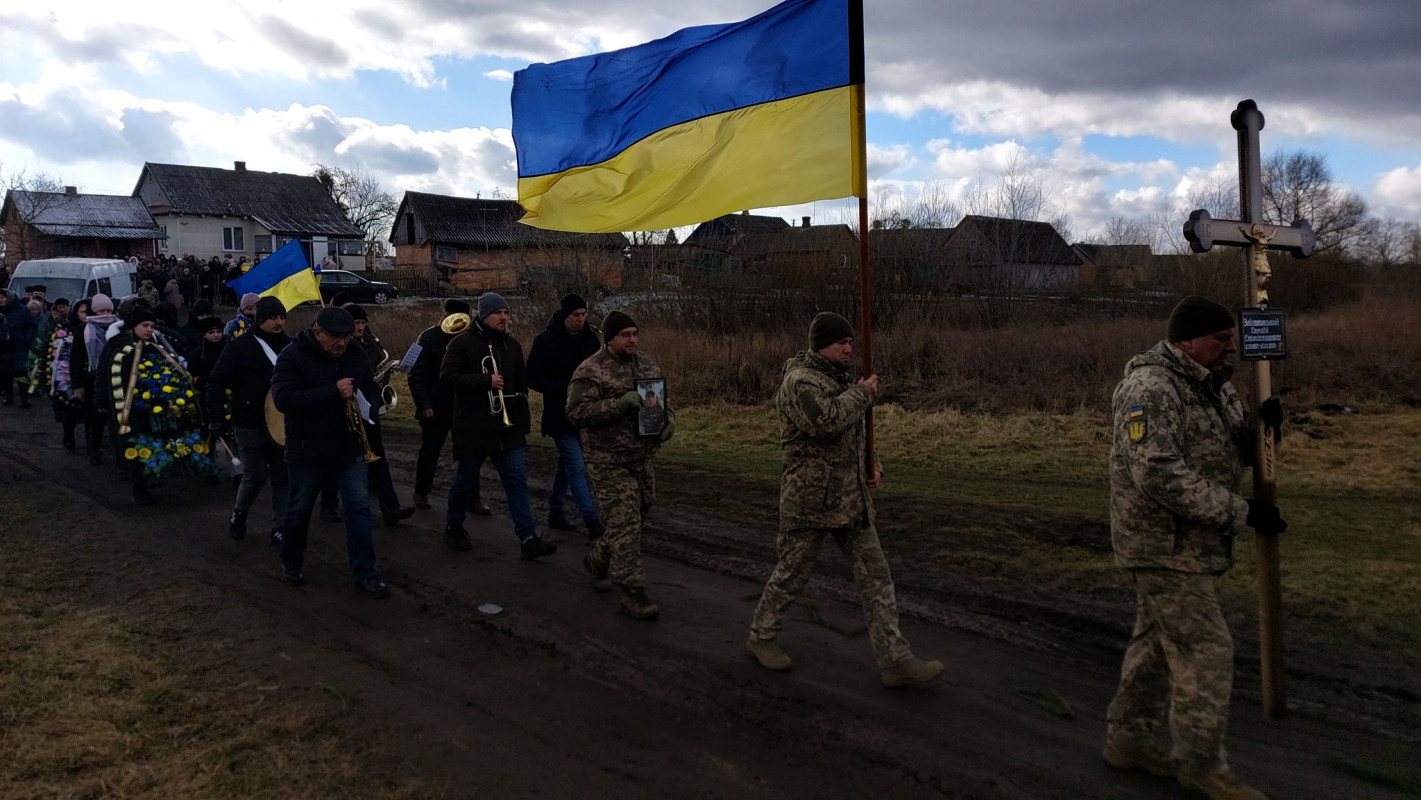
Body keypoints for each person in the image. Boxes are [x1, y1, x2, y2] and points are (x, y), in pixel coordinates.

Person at [1103, 296, 1286, 800]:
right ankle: (1201, 763)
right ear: (1187, 341)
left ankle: (1128, 740)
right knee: (1206, 646)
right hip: (1162, 545)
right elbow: (1158, 473)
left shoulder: (1214, 389)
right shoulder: (1150, 388)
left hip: (1189, 544)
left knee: (1156, 646)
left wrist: (1265, 432)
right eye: (1221, 340)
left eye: (1233, 338)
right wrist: (1241, 511)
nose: (1232, 348)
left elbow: (1228, 451)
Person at [746, 312, 943, 687]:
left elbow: (856, 433)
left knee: (877, 578)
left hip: (850, 501)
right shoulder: (799, 382)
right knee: (791, 574)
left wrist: (874, 464)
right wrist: (863, 394)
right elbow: (826, 422)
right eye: (842, 343)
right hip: (810, 501)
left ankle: (895, 659)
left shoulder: (843, 380)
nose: (850, 349)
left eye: (852, 342)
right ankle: (761, 636)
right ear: (822, 344)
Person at [271, 306, 390, 599]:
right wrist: (331, 392)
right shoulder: (292, 355)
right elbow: (283, 399)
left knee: (359, 510)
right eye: (336, 337)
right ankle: (292, 562)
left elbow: (368, 386)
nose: (342, 344)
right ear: (317, 333)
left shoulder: (354, 353)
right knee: (299, 511)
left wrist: (374, 405)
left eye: (347, 337)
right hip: (307, 450)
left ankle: (365, 573)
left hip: (348, 448)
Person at [566, 310, 674, 619]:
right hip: (607, 460)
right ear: (609, 338)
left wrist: (670, 419)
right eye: (625, 334)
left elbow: (661, 401)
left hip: (642, 457)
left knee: (634, 520)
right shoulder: (591, 370)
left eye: (635, 333)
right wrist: (617, 404)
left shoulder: (647, 364)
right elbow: (575, 412)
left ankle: (598, 559)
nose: (632, 340)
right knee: (626, 523)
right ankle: (632, 593)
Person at [440, 292, 557, 560]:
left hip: (507, 428)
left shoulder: (512, 346)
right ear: (484, 315)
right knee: (466, 480)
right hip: (473, 426)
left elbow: (520, 386)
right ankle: (454, 526)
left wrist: (523, 422)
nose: (504, 317)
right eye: (498, 313)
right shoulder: (461, 343)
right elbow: (447, 378)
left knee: (516, 481)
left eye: (506, 312)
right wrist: (485, 382)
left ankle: (528, 538)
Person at [97, 306, 215, 505]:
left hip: (156, 407)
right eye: (145, 325)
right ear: (134, 326)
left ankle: (156, 476)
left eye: (152, 326)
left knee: (157, 441)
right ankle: (139, 487)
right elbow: (105, 375)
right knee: (135, 442)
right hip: (131, 409)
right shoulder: (118, 347)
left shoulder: (157, 346)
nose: (149, 330)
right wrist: (101, 400)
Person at [208, 297, 292, 544]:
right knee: (254, 476)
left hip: (281, 424)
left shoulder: (290, 346)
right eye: (272, 318)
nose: (279, 322)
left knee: (282, 476)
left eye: (281, 317)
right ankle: (239, 513)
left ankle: (280, 527)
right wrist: (215, 417)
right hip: (248, 422)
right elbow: (216, 381)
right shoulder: (240, 347)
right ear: (260, 319)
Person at [526, 293, 605, 536]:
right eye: (575, 315)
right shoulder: (546, 340)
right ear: (564, 315)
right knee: (576, 466)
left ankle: (555, 510)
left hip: (585, 414)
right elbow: (532, 377)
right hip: (559, 414)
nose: (580, 320)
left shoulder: (591, 340)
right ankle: (592, 520)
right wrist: (566, 388)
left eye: (583, 315)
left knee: (566, 465)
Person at [405, 298, 487, 514]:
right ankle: (421, 492)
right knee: (430, 450)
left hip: (464, 406)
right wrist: (424, 404)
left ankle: (473, 498)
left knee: (470, 453)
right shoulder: (428, 337)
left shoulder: (472, 339)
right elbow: (416, 374)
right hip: (435, 405)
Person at [347, 304, 415, 526]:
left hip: (368, 407)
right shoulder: (342, 345)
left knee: (378, 457)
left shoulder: (371, 342)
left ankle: (390, 508)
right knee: (338, 461)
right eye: (355, 323)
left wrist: (380, 386)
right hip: (345, 409)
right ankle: (329, 505)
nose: (359, 327)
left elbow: (376, 369)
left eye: (362, 323)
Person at [70, 293, 119, 464]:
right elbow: (75, 360)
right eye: (101, 311)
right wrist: (77, 385)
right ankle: (94, 450)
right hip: (90, 380)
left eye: (108, 310)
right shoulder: (83, 331)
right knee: (94, 419)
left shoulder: (119, 329)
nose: (105, 314)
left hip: (114, 378)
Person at [44, 299, 89, 449]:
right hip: (67, 375)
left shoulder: (97, 329)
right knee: (68, 412)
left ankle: (93, 445)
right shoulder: (63, 329)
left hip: (88, 375)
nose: (87, 315)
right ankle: (68, 434)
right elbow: (51, 353)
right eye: (83, 312)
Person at [0, 289, 39, 407]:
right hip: (3, 349)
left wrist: (27, 339)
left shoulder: (22, 310)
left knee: (21, 374)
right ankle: (9, 398)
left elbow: (32, 325)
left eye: (2, 297)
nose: (1, 300)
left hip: (20, 348)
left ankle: (24, 399)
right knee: (5, 375)